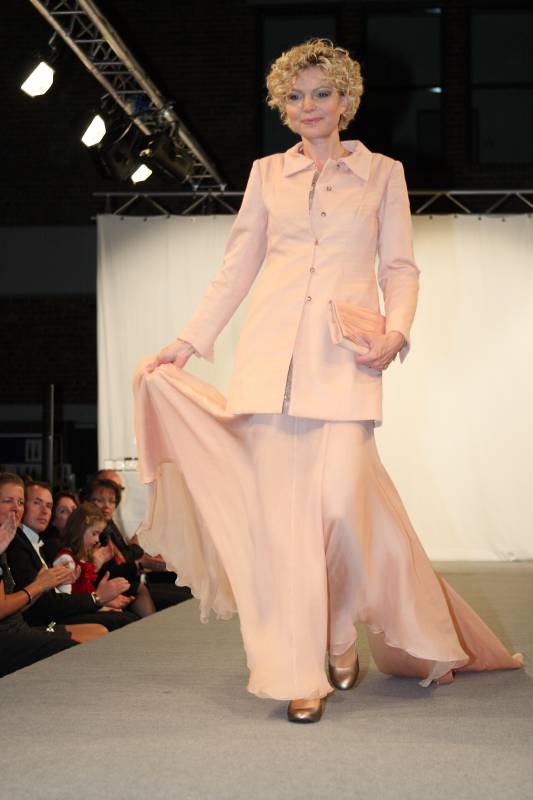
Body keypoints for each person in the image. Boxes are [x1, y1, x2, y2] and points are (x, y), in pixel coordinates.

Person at [134, 39, 523, 723]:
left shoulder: (382, 173)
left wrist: (397, 331)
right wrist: (189, 341)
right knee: (285, 530)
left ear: (345, 100)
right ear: (281, 107)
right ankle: (296, 671)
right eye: (294, 96)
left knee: (343, 508)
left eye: (321, 93)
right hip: (268, 368)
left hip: (345, 362)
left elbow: (399, 268)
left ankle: (340, 630)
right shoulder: (265, 174)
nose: (307, 106)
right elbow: (237, 266)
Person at [0, 474, 107, 678]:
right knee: (82, 648)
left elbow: (18, 605)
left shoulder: (8, 543)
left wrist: (47, 583)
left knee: (99, 631)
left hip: (20, 628)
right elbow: (4, 608)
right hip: (9, 637)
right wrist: (40, 585)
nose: (16, 508)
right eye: (8, 501)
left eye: (20, 502)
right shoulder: (14, 546)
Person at [7, 479, 137, 631]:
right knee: (122, 622)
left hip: (53, 616)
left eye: (49, 506)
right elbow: (44, 606)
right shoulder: (18, 545)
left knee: (127, 618)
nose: (44, 511)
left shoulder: (36, 543)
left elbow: (53, 595)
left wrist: (98, 598)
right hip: (43, 624)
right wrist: (97, 598)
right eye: (37, 503)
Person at [42, 490, 78, 563]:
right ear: (53, 521)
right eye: (63, 511)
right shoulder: (53, 546)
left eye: (74, 509)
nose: (71, 514)